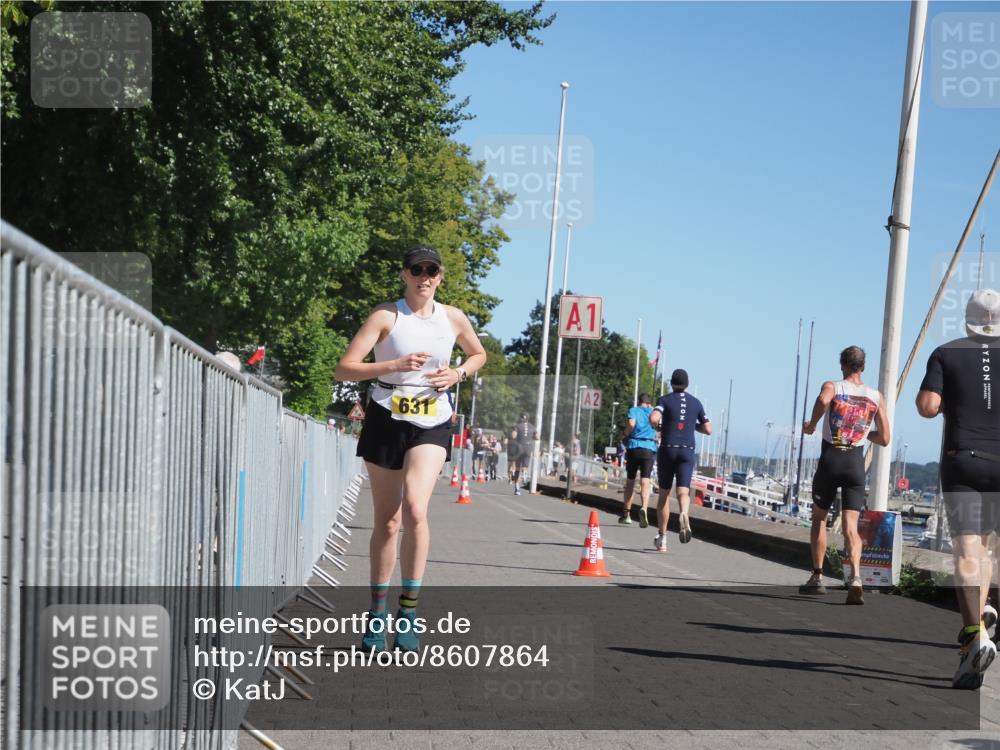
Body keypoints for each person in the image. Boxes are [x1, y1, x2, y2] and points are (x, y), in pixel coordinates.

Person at [334, 245, 486, 652]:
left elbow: (478, 353)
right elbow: (344, 367)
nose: (425, 277)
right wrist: (392, 366)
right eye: (417, 270)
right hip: (386, 414)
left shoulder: (453, 317)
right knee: (387, 521)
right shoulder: (387, 316)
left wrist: (456, 373)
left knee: (416, 508)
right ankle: (377, 612)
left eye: (432, 270)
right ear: (404, 274)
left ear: (440, 275)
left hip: (433, 420)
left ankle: (409, 611)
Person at [916, 289, 1000, 689]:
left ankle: (974, 636)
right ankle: (981, 617)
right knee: (985, 548)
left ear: (967, 319)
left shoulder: (946, 353)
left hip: (964, 459)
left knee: (968, 548)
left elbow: (928, 406)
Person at [799, 346, 889, 607]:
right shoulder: (875, 396)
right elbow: (884, 437)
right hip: (855, 463)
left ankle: (817, 578)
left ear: (843, 365)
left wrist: (813, 423)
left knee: (819, 519)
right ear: (863, 367)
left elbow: (824, 401)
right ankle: (857, 578)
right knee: (851, 526)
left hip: (831, 460)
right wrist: (862, 434)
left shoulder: (833, 386)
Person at [649, 370, 711, 551]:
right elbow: (708, 429)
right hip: (687, 450)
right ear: (687, 383)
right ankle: (684, 513)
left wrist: (657, 424)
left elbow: (654, 418)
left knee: (664, 496)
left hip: (668, 449)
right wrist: (693, 426)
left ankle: (662, 538)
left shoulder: (665, 400)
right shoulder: (696, 402)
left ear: (671, 383)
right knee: (683, 492)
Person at [620, 393, 657, 528]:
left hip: (634, 447)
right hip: (649, 447)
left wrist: (625, 433)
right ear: (648, 403)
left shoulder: (634, 410)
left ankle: (627, 514)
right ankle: (644, 508)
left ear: (638, 401)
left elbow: (631, 423)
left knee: (630, 481)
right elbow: (659, 427)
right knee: (645, 481)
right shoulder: (654, 412)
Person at [510, 413, 535, 495]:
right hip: (528, 447)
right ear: (528, 418)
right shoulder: (532, 426)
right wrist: (531, 437)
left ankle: (517, 489)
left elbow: (514, 436)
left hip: (519, 447)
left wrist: (514, 431)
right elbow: (537, 436)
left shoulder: (517, 426)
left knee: (517, 469)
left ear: (521, 418)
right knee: (525, 466)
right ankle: (524, 475)